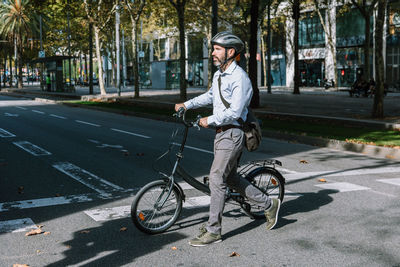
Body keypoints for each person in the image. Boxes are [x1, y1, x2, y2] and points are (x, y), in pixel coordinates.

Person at [175, 31, 281, 247]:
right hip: (221, 133)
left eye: (217, 49)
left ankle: (214, 230)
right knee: (230, 178)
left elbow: (234, 112)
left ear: (230, 52)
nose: (213, 52)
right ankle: (269, 204)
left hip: (232, 133)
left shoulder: (240, 78)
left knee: (216, 178)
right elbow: (210, 96)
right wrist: (188, 104)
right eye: (213, 48)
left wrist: (209, 119)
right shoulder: (219, 75)